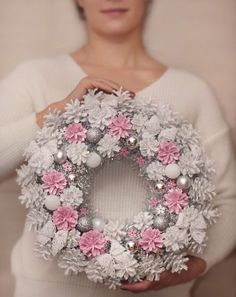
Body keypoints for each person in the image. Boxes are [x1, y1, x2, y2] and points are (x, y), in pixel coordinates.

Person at [0, 0, 235, 296]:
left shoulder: (192, 92)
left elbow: (228, 200)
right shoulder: (35, 77)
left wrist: (188, 268)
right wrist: (55, 114)